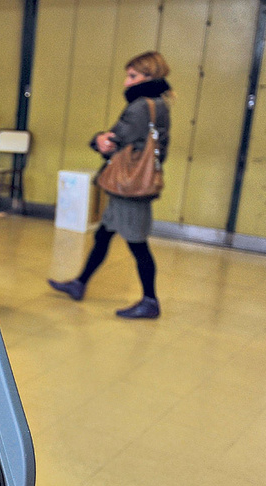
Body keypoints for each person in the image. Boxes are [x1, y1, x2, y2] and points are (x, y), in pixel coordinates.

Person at [48, 51, 172, 319]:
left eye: (133, 76)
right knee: (103, 235)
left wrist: (98, 139)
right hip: (129, 188)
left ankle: (150, 301)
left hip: (130, 190)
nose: (127, 82)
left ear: (150, 76)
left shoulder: (141, 106)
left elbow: (114, 139)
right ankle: (79, 284)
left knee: (138, 245)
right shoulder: (159, 104)